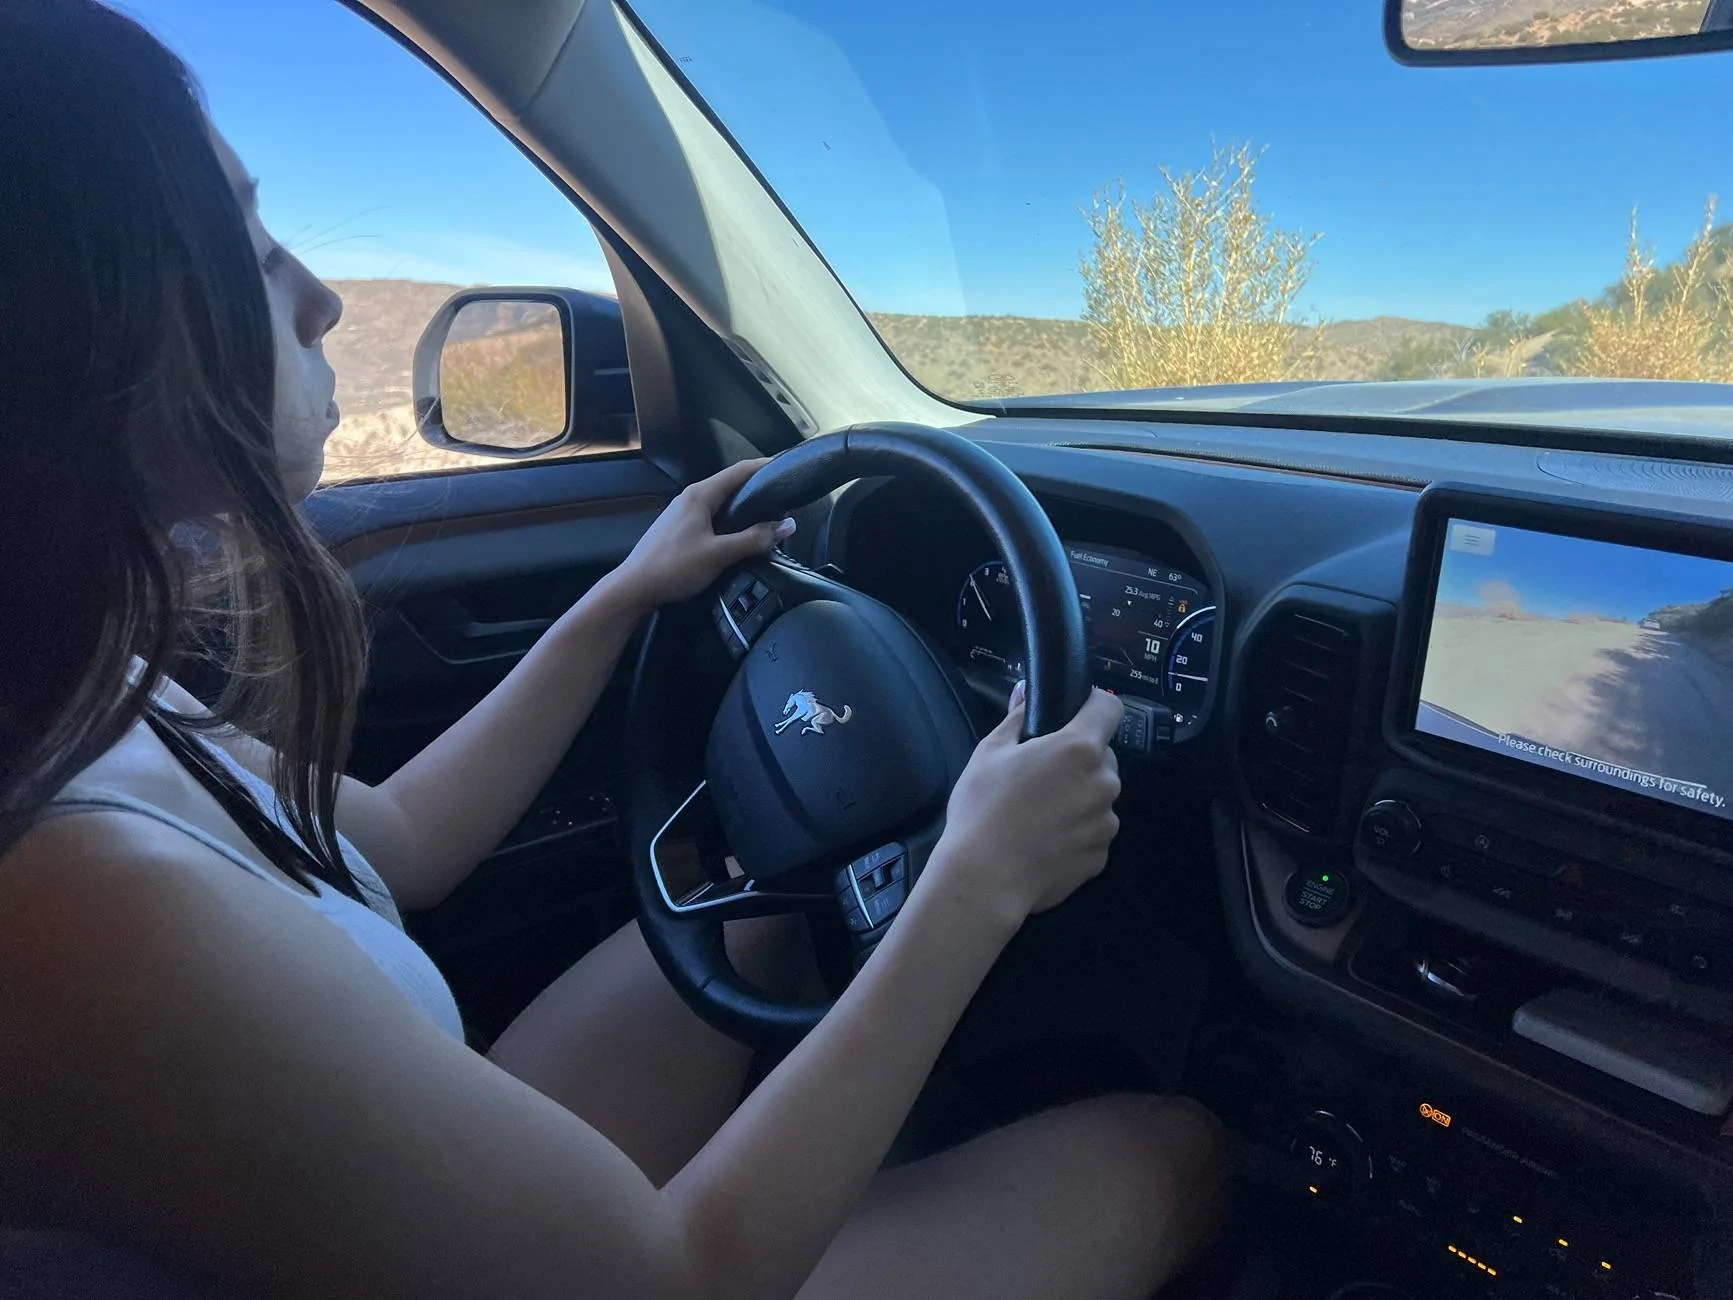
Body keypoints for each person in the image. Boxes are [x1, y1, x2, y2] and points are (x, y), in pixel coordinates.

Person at [0, 3, 1226, 1297]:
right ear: (78, 335)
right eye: (250, 253)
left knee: (762, 917)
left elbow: (396, 841)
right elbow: (675, 1279)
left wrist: (623, 599)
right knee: (1169, 1153)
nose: (323, 298)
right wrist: (975, 880)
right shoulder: (80, 908)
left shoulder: (77, 697)